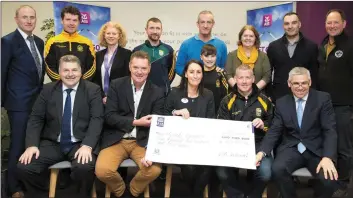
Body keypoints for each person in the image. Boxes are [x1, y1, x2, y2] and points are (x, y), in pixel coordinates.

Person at [16, 55, 104, 198]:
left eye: (74, 70)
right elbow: (36, 118)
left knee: (84, 167)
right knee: (25, 167)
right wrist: (31, 145)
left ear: (81, 71)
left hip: (80, 143)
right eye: (66, 70)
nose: (70, 74)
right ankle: (48, 194)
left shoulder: (92, 90)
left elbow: (97, 119)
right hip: (52, 143)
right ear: (59, 72)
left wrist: (87, 145)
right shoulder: (47, 90)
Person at [256, 67, 338, 198]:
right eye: (296, 83)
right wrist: (261, 152)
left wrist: (328, 157)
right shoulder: (282, 103)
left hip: (316, 149)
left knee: (329, 180)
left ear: (310, 82)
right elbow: (274, 130)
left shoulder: (322, 99)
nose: (300, 87)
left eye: (304, 83)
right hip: (291, 148)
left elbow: (330, 130)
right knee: (277, 169)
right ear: (289, 84)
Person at [95, 51, 165, 198]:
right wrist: (135, 122)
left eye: (143, 68)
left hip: (141, 142)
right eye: (136, 67)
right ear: (130, 67)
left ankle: (131, 191)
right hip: (116, 139)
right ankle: (121, 191)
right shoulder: (116, 85)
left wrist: (152, 150)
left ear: (149, 69)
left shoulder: (158, 92)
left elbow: (158, 124)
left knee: (154, 170)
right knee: (102, 170)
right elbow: (109, 117)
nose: (139, 72)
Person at [1, 5, 45, 197]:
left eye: (32, 17)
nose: (29, 20)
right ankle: (14, 188)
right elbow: (1, 72)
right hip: (18, 104)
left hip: (37, 102)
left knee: (33, 144)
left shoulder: (40, 42)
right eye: (25, 17)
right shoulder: (8, 41)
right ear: (16, 19)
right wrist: (3, 101)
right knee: (18, 145)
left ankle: (29, 185)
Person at [216, 64, 274, 198]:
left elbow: (273, 127)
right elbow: (221, 127)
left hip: (258, 145)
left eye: (247, 77)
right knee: (222, 172)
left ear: (253, 79)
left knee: (266, 173)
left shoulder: (264, 100)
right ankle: (237, 195)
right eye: (241, 78)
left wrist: (263, 124)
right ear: (235, 79)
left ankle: (253, 195)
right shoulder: (227, 101)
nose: (244, 81)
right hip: (232, 145)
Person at [165, 60, 215, 198]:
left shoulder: (208, 95)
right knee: (190, 167)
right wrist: (175, 112)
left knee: (207, 167)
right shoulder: (174, 92)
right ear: (185, 74)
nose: (195, 75)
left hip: (201, 143)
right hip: (178, 143)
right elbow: (163, 115)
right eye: (191, 72)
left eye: (199, 72)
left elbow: (211, 120)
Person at [317, 9, 353, 197]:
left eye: (335, 22)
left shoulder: (350, 46)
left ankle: (344, 185)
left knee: (344, 148)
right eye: (329, 23)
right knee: (326, 143)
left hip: (343, 106)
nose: (332, 26)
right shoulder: (322, 45)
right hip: (323, 106)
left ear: (344, 24)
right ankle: (329, 181)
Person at [266, 12, 318, 101]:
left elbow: (314, 74)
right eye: (287, 23)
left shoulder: (311, 47)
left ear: (299, 24)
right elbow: (268, 73)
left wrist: (312, 98)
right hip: (279, 97)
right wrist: (270, 94)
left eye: (294, 23)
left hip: (304, 97)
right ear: (283, 26)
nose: (290, 26)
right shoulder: (273, 46)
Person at [45, 5, 96, 81]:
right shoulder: (52, 42)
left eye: (75, 20)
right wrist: (62, 82)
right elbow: (48, 66)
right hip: (59, 87)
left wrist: (81, 83)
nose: (71, 23)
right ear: (62, 21)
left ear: (79, 22)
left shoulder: (87, 42)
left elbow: (92, 67)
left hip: (82, 87)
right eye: (68, 19)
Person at [175, 10, 227, 76]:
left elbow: (224, 68)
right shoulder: (186, 44)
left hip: (214, 85)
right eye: (202, 22)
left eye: (209, 22)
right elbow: (179, 67)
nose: (205, 26)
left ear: (213, 24)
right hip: (192, 85)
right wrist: (191, 76)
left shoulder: (221, 45)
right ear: (197, 24)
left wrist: (221, 72)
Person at [133, 17, 175, 95]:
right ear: (146, 30)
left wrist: (164, 85)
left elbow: (171, 73)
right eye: (152, 28)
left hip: (163, 94)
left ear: (161, 30)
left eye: (158, 28)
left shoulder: (168, 50)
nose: (155, 31)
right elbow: (132, 72)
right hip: (142, 94)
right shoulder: (137, 50)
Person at [93, 21, 132, 104]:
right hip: (101, 99)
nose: (111, 36)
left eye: (114, 34)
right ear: (104, 35)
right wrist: (102, 96)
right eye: (108, 33)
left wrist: (112, 97)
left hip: (120, 99)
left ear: (119, 36)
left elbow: (127, 79)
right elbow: (96, 79)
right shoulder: (98, 55)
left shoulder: (127, 54)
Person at [225, 25, 271, 93]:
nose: (248, 38)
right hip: (236, 95)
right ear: (240, 38)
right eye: (245, 36)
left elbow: (267, 76)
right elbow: (228, 75)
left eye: (251, 36)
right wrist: (240, 90)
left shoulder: (263, 56)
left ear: (255, 38)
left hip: (257, 95)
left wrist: (253, 91)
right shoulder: (231, 55)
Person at [201, 44, 229, 116]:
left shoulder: (221, 74)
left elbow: (226, 96)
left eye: (212, 56)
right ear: (201, 57)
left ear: (216, 57)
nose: (209, 59)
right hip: (199, 112)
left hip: (217, 113)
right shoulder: (197, 72)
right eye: (206, 56)